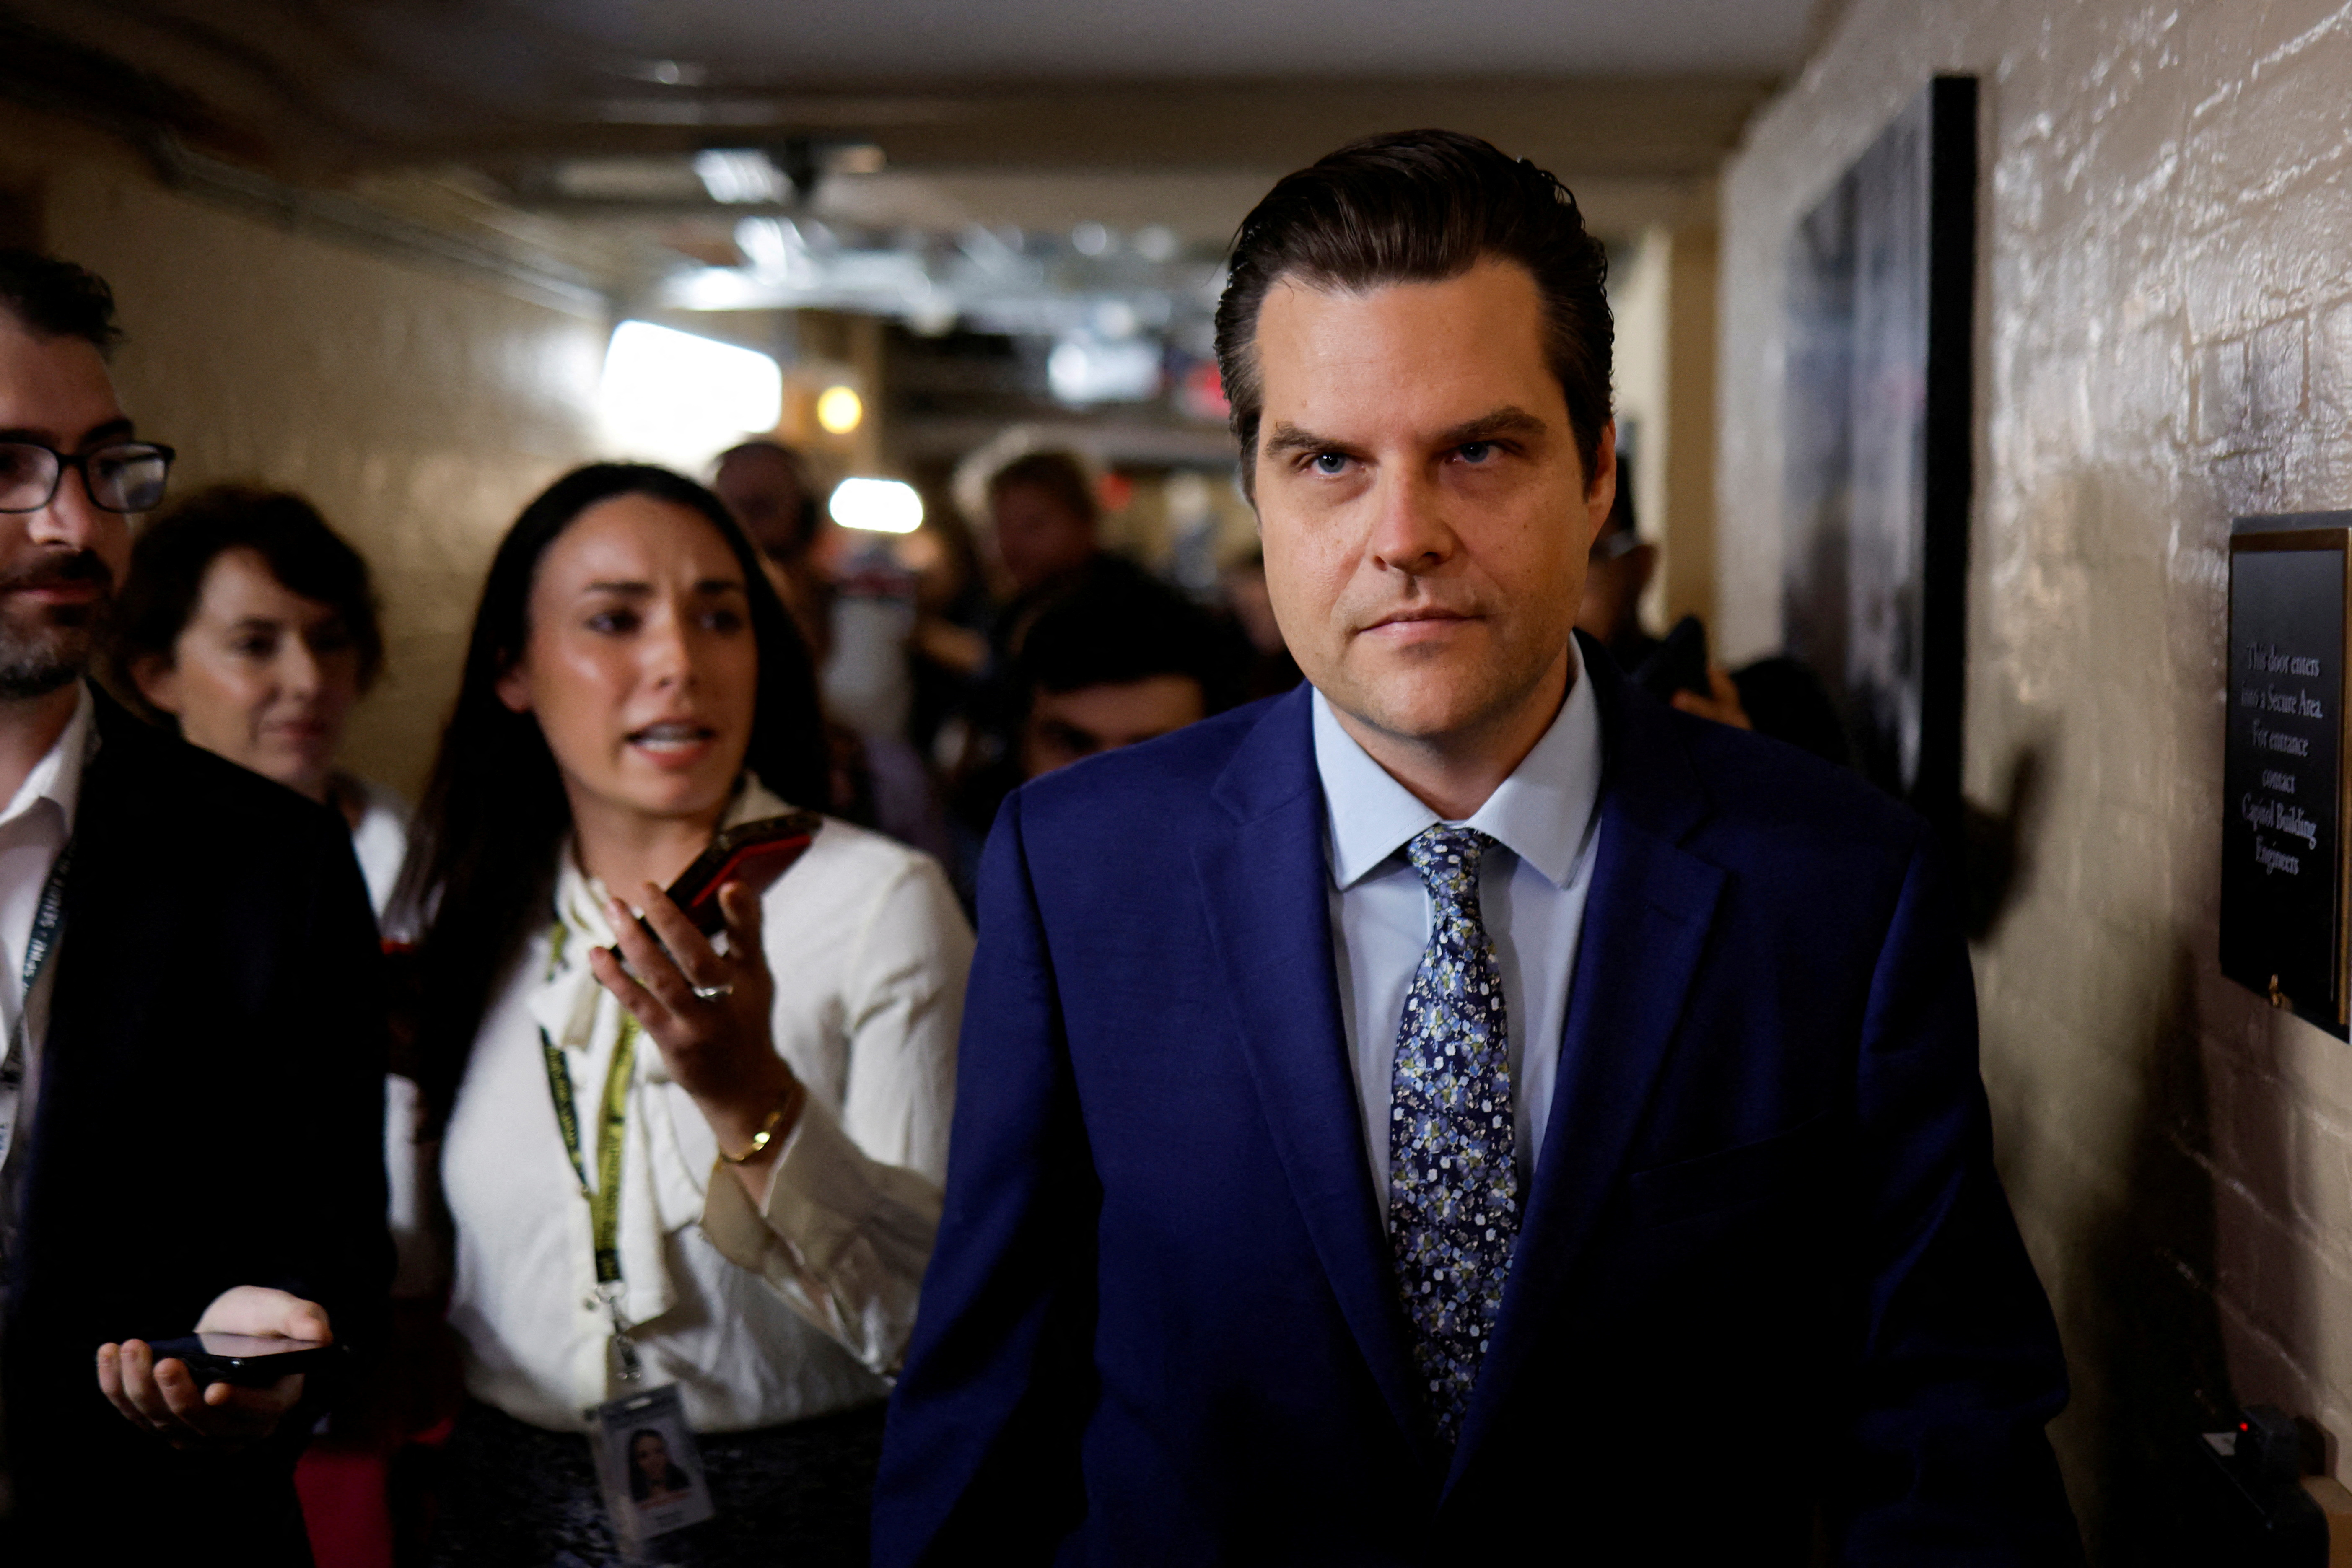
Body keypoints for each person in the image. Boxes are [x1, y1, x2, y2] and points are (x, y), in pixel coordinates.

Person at [874, 133, 2080, 1563]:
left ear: (1596, 476)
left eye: (1478, 451)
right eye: (1328, 460)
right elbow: (988, 1412)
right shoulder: (1079, 869)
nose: (1405, 536)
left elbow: (1945, 1433)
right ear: (1256, 490)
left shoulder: (1835, 884)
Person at [395, 463, 969, 1566]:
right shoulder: (473, 911)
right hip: (499, 1507)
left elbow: (942, 1317)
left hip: (802, 1513)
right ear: (512, 668)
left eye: (719, 618)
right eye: (615, 620)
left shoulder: (877, 904)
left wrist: (752, 1099)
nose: (679, 663)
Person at [0, 252, 387, 1559]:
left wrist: (266, 1353)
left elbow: (336, 1250)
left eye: (102, 465)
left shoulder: (269, 858)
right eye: (8, 467)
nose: (76, 524)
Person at [107, 483, 408, 914]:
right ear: (160, 676)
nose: (309, 681)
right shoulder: (107, 868)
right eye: (254, 646)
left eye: (330, 642)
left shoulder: (423, 861)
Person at [628, 1429, 695, 1506]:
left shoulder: (687, 1486)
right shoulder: (632, 1501)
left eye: (659, 1452)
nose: (654, 1462)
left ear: (667, 1454)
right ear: (636, 1462)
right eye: (644, 1456)